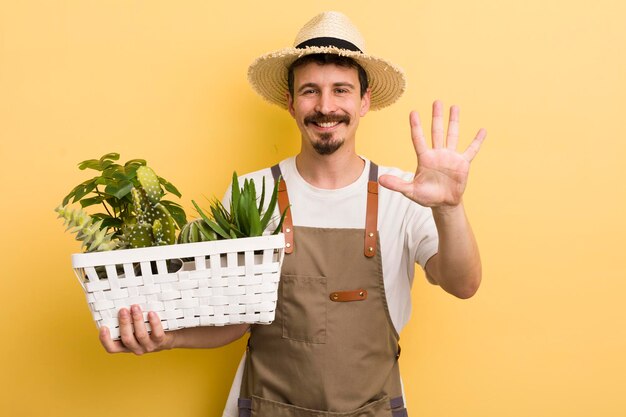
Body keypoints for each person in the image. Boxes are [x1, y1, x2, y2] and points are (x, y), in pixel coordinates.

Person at [99, 11, 486, 417]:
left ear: (364, 100)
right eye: (310, 91)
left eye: (341, 90)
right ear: (290, 102)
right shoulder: (251, 193)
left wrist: (450, 207)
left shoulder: (403, 193)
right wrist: (168, 338)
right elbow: (235, 319)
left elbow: (463, 283)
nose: (325, 106)